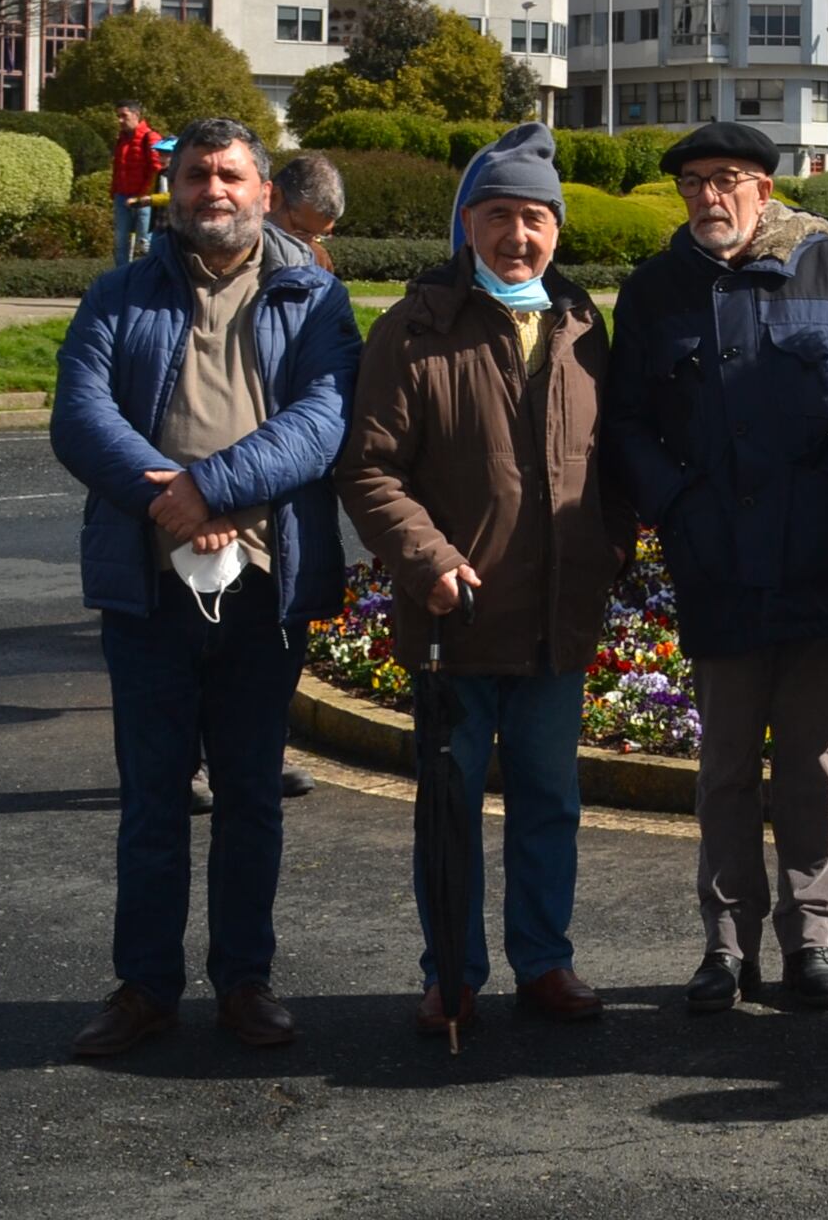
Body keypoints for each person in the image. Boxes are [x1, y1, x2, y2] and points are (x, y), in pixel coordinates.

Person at [50, 117, 361, 1061]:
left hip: (266, 584)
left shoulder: (314, 298)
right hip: (149, 586)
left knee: (251, 797)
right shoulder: (118, 294)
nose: (212, 190)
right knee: (152, 799)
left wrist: (212, 489)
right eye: (195, 175)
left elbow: (324, 419)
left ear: (265, 191)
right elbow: (80, 416)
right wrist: (175, 502)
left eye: (230, 175)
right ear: (172, 190)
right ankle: (145, 988)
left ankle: (245, 982)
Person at [337, 124, 627, 1040]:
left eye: (535, 218)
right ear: (467, 224)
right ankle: (452, 974)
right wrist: (426, 559)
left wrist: (609, 552)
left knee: (550, 805)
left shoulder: (584, 329)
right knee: (449, 813)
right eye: (498, 215)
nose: (518, 236)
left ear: (557, 230)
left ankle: (545, 961)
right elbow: (369, 469)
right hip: (454, 623)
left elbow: (611, 466)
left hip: (554, 625)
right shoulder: (415, 328)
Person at [602, 121, 828, 1014]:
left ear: (765, 189)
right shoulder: (655, 289)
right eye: (693, 181)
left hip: (821, 553)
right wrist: (677, 505)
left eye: (725, 178)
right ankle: (725, 947)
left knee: (813, 762)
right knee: (725, 763)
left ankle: (810, 941)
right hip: (717, 557)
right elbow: (625, 421)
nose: (708, 196)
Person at [108, 102, 164, 264]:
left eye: (124, 116)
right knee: (120, 242)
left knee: (144, 242)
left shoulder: (150, 137)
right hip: (122, 196)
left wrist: (143, 196)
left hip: (143, 199)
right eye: (118, 116)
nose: (120, 120)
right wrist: (114, 191)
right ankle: (123, 275)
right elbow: (117, 168)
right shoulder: (122, 138)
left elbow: (157, 170)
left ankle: (148, 275)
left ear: (136, 115)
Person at [271, 151, 346, 273]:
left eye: (321, 235)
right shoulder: (241, 254)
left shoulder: (319, 261)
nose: (307, 245)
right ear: (273, 198)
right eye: (302, 232)